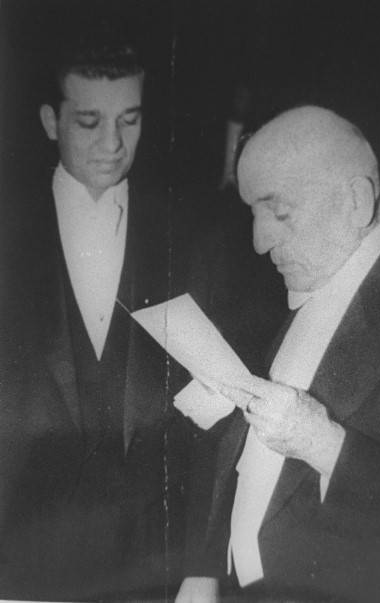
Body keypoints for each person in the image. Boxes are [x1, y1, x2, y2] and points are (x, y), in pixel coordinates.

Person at [177, 106, 380, 602]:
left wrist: (322, 441)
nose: (259, 241)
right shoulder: (309, 279)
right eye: (254, 213)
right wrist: (206, 568)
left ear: (356, 201)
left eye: (280, 212)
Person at [0, 18, 189, 600]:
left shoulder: (187, 233)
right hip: (22, 556)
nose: (113, 144)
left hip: (150, 565)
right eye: (89, 121)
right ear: (49, 121)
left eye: (129, 120)